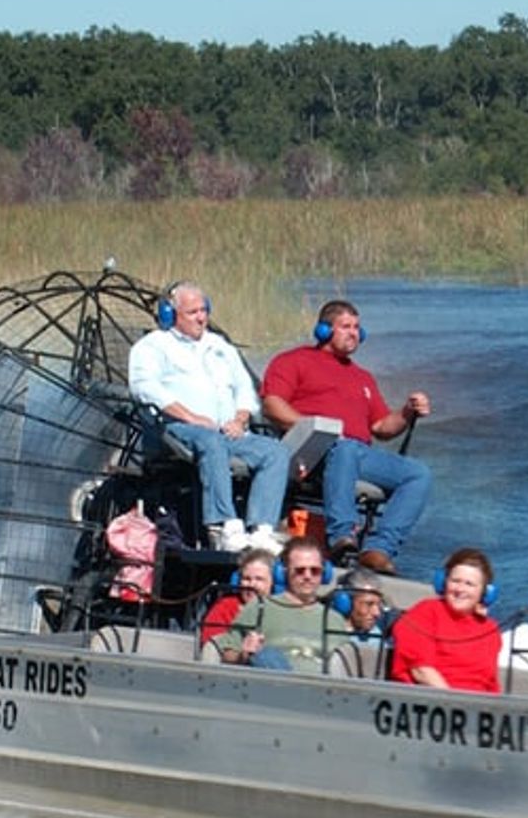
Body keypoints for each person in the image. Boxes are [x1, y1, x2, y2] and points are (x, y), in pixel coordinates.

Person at [261, 299, 432, 576]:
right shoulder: (294, 361)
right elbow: (272, 405)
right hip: (313, 451)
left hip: (356, 453)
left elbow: (381, 426)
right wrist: (316, 426)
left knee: (418, 474)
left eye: (357, 328)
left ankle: (378, 550)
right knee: (344, 447)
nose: (354, 333)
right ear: (325, 331)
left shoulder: (362, 377)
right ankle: (342, 537)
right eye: (346, 327)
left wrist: (408, 411)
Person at [128, 281, 288, 554]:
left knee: (275, 452)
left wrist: (240, 418)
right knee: (211, 443)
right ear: (170, 314)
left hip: (228, 430)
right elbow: (144, 388)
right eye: (192, 312)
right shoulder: (153, 346)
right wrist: (191, 417)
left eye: (204, 310)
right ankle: (224, 526)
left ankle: (261, 529)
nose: (201, 318)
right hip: (177, 428)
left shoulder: (220, 347)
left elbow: (244, 388)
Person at [389, 547, 501, 693]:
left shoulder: (490, 630)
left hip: (476, 707)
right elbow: (421, 671)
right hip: (428, 701)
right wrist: (457, 704)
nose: (460, 589)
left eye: (469, 584)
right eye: (455, 581)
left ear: (485, 593)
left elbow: (490, 685)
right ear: (443, 582)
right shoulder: (424, 613)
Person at [215, 536, 329, 672]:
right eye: (300, 570)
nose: (307, 576)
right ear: (282, 573)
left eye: (315, 571)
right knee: (266, 655)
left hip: (324, 689)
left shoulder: (333, 619)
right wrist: (243, 655)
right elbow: (227, 653)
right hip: (273, 686)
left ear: (324, 574)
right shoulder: (259, 608)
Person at [198, 547, 274, 643]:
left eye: (259, 579)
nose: (251, 584)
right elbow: (210, 641)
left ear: (272, 581)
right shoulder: (226, 606)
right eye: (246, 579)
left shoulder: (281, 608)